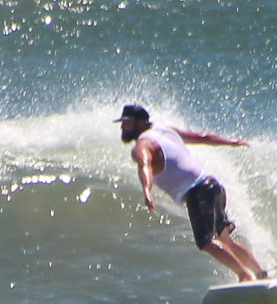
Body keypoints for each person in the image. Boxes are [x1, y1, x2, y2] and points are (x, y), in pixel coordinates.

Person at [115, 104, 268, 282]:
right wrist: (229, 141)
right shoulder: (165, 131)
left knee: (206, 242)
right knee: (226, 241)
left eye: (126, 122)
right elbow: (202, 137)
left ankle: (244, 275)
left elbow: (145, 166)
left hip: (197, 191)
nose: (122, 127)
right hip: (213, 185)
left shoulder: (142, 146)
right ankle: (260, 274)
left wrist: (147, 191)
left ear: (140, 123)